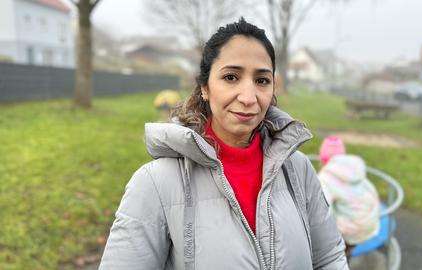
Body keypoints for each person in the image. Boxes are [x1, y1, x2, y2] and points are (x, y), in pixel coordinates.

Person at [99, 18, 348, 270]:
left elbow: (329, 258)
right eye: (231, 77)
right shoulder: (155, 183)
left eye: (261, 80)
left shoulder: (298, 170)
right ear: (205, 87)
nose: (248, 97)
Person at [317, 136, 380, 257]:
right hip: (369, 223)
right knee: (346, 250)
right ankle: (346, 255)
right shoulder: (354, 170)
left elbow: (322, 209)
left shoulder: (325, 178)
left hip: (350, 230)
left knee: (334, 255)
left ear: (323, 160)